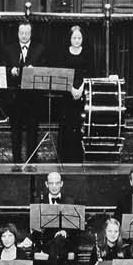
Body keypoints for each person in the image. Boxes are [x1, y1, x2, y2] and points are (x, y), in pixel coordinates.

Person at [3, 21, 45, 164]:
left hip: (33, 99)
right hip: (15, 98)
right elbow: (3, 69)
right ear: (18, 33)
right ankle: (16, 163)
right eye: (22, 33)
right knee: (15, 132)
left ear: (31, 33)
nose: (24, 36)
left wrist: (35, 69)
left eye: (27, 33)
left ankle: (32, 163)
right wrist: (11, 71)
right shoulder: (9, 49)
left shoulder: (40, 49)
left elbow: (45, 70)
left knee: (32, 132)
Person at [56, 25, 96, 162]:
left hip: (83, 92)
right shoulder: (62, 52)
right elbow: (61, 72)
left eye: (79, 38)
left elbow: (90, 72)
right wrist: (71, 88)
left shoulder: (88, 52)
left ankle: (78, 157)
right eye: (74, 38)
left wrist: (81, 89)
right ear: (70, 38)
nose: (77, 40)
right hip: (67, 92)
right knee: (66, 125)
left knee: (80, 125)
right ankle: (65, 157)